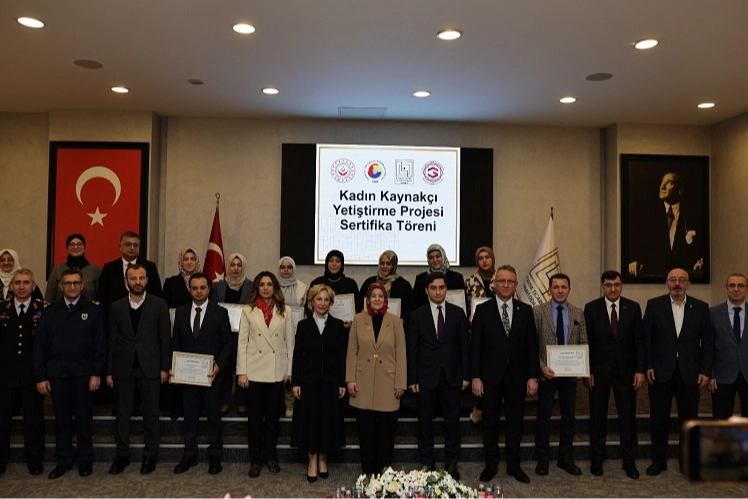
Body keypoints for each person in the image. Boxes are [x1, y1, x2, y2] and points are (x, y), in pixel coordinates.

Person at [33, 269, 106, 479]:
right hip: (57, 375)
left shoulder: (93, 311)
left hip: (84, 376)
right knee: (62, 421)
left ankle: (85, 459)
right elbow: (40, 347)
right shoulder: (49, 312)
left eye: (76, 283)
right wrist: (41, 377)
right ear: (61, 286)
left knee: (84, 420)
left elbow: (100, 345)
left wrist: (97, 373)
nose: (72, 287)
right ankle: (64, 460)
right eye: (68, 283)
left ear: (82, 286)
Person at [471, 265, 538, 484]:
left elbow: (531, 346)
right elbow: (475, 347)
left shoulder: (525, 310)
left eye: (510, 281)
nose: (506, 285)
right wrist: (475, 377)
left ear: (516, 284)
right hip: (489, 377)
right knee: (490, 422)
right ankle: (491, 464)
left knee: (515, 423)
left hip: (517, 377)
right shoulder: (482, 310)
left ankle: (513, 465)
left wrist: (533, 376)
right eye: (502, 281)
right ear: (494, 284)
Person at [644, 268, 713, 476]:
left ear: (688, 284)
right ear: (667, 283)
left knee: (689, 421)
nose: (677, 284)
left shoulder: (701, 308)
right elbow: (646, 339)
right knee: (659, 419)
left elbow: (708, 343)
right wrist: (648, 365)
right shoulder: (654, 305)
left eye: (681, 280)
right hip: (660, 372)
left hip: (690, 373)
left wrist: (705, 370)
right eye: (673, 280)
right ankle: (658, 461)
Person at [106, 264, 171, 476]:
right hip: (123, 369)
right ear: (126, 281)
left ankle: (150, 455)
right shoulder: (116, 306)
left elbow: (165, 339)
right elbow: (111, 341)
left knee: (151, 415)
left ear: (147, 281)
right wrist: (109, 371)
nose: (137, 282)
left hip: (151, 368)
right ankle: (122, 455)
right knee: (122, 415)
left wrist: (165, 368)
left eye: (141, 278)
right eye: (133, 278)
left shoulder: (159, 304)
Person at [407, 272, 470, 480]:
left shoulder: (458, 313)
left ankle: (452, 466)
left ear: (446, 289)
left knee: (452, 423)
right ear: (426, 290)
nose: (438, 292)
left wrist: (466, 375)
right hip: (425, 378)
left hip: (452, 377)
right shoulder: (417, 315)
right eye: (433, 288)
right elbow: (412, 350)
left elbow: (464, 347)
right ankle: (428, 465)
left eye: (441, 288)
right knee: (425, 424)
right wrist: (412, 379)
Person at [583, 270, 645, 479]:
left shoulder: (633, 307)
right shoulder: (591, 308)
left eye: (616, 284)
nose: (613, 288)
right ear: (602, 286)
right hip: (598, 372)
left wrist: (640, 370)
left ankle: (629, 461)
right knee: (597, 416)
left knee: (627, 417)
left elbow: (639, 341)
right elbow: (587, 342)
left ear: (621, 286)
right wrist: (587, 371)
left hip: (626, 372)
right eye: (608, 285)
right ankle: (597, 459)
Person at [170, 273, 232, 475]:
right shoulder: (180, 312)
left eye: (202, 288)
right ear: (190, 290)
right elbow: (176, 342)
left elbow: (228, 344)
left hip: (211, 376)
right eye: (195, 288)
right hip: (187, 377)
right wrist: (174, 367)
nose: (198, 291)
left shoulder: (220, 312)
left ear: (208, 289)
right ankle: (189, 455)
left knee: (214, 417)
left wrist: (219, 366)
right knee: (190, 417)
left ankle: (215, 456)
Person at [237, 271, 295, 478]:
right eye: (262, 284)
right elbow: (242, 343)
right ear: (257, 288)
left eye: (269, 284)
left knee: (272, 419)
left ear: (275, 287)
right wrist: (241, 372)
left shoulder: (286, 310)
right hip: (253, 371)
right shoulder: (248, 310)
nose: (266, 288)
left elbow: (290, 343)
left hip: (276, 371)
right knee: (254, 420)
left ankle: (270, 457)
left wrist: (289, 371)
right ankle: (255, 460)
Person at [346, 283, 407, 476]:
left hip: (388, 384)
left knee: (386, 434)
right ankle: (368, 474)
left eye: (381, 296)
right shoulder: (358, 320)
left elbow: (401, 354)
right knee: (366, 434)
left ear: (386, 300)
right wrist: (350, 379)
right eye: (373, 296)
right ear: (368, 299)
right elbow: (352, 351)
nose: (377, 299)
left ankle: (384, 475)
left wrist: (401, 383)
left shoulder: (395, 322)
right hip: (362, 383)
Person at [533, 273, 588, 477]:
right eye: (556, 287)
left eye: (564, 287)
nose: (560, 290)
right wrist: (541, 367)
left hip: (570, 374)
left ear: (569, 289)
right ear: (549, 289)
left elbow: (584, 342)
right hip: (546, 373)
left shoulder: (578, 312)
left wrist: (582, 367)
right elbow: (531, 344)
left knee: (569, 417)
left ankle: (565, 457)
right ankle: (543, 458)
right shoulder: (538, 312)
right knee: (543, 417)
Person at [291, 284, 346, 482]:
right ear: (311, 301)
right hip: (308, 382)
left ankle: (323, 459)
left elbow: (342, 356)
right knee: (311, 422)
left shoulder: (338, 325)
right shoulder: (303, 326)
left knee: (327, 422)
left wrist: (342, 382)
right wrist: (296, 382)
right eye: (319, 299)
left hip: (331, 382)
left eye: (326, 300)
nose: (322, 303)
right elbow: (297, 356)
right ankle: (312, 460)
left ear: (330, 303)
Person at [0, 269, 47, 477]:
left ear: (33, 286)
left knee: (33, 421)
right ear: (11, 286)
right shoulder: (2, 308)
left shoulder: (44, 310)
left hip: (32, 375)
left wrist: (43, 375)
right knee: (1, 421)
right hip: (4, 375)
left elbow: (47, 345)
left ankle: (34, 460)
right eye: (17, 282)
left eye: (26, 282)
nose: (21, 286)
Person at [628, 172, 704, 279]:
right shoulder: (647, 214)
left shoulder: (694, 216)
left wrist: (701, 261)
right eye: (662, 182)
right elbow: (638, 245)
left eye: (669, 182)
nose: (662, 186)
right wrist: (635, 261)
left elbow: (701, 250)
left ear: (680, 190)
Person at [211, 253, 253, 416]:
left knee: (242, 366)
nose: (236, 268)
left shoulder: (251, 285)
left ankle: (242, 401)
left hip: (244, 333)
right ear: (228, 267)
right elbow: (214, 308)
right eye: (233, 265)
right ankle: (225, 400)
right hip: (223, 333)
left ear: (243, 267)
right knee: (225, 365)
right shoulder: (219, 286)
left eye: (239, 265)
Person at [464, 246, 496, 425]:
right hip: (477, 331)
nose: (484, 261)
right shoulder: (470, 281)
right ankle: (480, 406)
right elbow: (464, 305)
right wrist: (468, 317)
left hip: (499, 334)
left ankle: (488, 407)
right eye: (480, 258)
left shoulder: (502, 279)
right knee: (480, 369)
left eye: (487, 257)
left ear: (492, 259)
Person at [96, 232, 162, 317]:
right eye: (128, 244)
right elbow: (102, 297)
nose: (132, 248)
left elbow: (157, 295)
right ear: (120, 247)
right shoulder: (109, 268)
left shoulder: (150, 267)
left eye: (135, 245)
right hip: (115, 317)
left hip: (144, 316)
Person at [710, 273, 748, 418]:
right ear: (726, 288)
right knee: (721, 419)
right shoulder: (712, 313)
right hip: (721, 376)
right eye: (732, 285)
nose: (736, 289)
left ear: (746, 289)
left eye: (740, 286)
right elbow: (708, 347)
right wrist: (711, 375)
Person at [278, 256, 307, 418]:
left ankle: (290, 403)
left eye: (289, 267)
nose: (286, 270)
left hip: (296, 333)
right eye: (283, 267)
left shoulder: (302, 287)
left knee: (293, 366)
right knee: (279, 366)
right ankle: (279, 401)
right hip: (276, 333)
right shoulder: (273, 286)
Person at [359, 250, 413, 326]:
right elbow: (360, 302)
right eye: (382, 263)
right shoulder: (369, 282)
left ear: (393, 265)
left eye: (388, 264)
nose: (385, 266)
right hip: (369, 325)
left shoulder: (403, 285)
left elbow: (410, 308)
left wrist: (403, 320)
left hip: (394, 326)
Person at [44, 233, 102, 302]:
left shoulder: (95, 270)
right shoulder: (57, 269)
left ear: (84, 247)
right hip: (61, 308)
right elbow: (49, 298)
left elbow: (101, 297)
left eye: (79, 244)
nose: (76, 247)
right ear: (67, 248)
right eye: (72, 244)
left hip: (89, 308)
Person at [310, 250, 362, 323]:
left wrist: (352, 323)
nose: (334, 264)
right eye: (331, 261)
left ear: (342, 264)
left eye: (337, 261)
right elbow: (309, 306)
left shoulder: (351, 284)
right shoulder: (317, 283)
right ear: (326, 263)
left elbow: (358, 307)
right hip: (319, 327)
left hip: (345, 328)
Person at [412, 244, 465, 310]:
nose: (435, 260)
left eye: (437, 256)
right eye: (431, 258)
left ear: (443, 256)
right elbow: (415, 304)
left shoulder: (457, 278)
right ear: (428, 260)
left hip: (452, 314)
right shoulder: (420, 279)